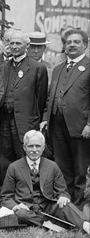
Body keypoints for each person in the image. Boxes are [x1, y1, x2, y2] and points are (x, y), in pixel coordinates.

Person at [0, 130, 89, 234]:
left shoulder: (52, 166)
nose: (34, 150)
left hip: (48, 206)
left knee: (66, 205)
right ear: (24, 148)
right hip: (26, 208)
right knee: (21, 214)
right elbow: (6, 197)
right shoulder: (14, 167)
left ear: (43, 148)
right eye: (30, 146)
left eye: (38, 146)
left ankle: (85, 225)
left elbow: (63, 191)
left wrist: (63, 196)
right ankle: (50, 225)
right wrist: (16, 206)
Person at [42, 28, 90, 207]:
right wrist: (47, 118)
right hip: (57, 125)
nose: (71, 45)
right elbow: (50, 96)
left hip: (80, 126)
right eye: (68, 42)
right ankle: (65, 202)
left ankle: (77, 206)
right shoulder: (58, 68)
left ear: (85, 45)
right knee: (62, 167)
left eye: (76, 42)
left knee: (80, 168)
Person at [0, 31, 48, 181]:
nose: (14, 46)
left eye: (18, 43)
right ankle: (6, 190)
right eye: (11, 43)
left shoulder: (37, 68)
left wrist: (35, 119)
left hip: (25, 121)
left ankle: (24, 191)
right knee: (5, 156)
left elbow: (41, 99)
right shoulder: (4, 66)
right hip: (5, 120)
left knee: (23, 157)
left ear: (26, 46)